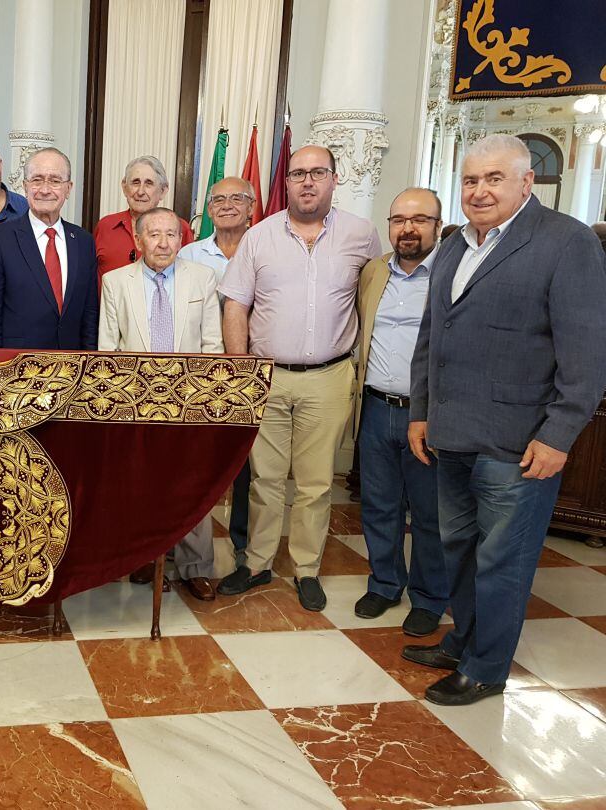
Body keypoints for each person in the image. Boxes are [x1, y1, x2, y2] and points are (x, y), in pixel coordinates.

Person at [404, 134, 606, 706]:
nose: (480, 190)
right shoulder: (452, 246)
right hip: (450, 434)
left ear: (526, 183)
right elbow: (431, 338)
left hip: (519, 443)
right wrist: (421, 413)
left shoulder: (566, 242)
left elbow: (587, 354)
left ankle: (487, 667)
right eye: (471, 180)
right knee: (458, 550)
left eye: (494, 179)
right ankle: (465, 641)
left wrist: (559, 434)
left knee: (502, 560)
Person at [219, 145, 382, 611]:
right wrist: (241, 372)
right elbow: (236, 304)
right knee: (264, 480)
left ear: (334, 179)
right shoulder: (259, 237)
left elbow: (373, 297)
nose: (307, 181)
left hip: (329, 378)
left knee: (314, 484)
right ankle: (256, 563)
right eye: (297, 174)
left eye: (317, 173)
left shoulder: (361, 235)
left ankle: (307, 569)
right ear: (285, 183)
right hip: (268, 377)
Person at [99, 207, 223, 600]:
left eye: (171, 234)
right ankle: (142, 560)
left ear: (182, 239)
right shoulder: (115, 282)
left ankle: (195, 567)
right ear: (139, 240)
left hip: (188, 403)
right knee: (139, 485)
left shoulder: (203, 279)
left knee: (191, 485)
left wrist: (201, 402)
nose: (164, 243)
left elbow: (213, 347)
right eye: (154, 234)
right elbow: (109, 350)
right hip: (136, 404)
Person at [353, 188, 447, 636]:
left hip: (428, 415)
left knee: (429, 512)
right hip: (375, 407)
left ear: (438, 225)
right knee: (379, 504)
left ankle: (428, 598)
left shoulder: (451, 272)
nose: (407, 228)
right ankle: (385, 582)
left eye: (419, 219)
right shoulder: (373, 272)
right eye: (398, 220)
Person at [179, 176, 256, 585]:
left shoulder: (266, 247)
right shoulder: (189, 253)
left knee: (248, 467)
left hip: (254, 373)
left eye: (237, 199)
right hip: (199, 380)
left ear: (251, 206)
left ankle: (246, 553)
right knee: (197, 467)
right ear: (209, 210)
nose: (227, 206)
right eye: (218, 200)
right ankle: (182, 553)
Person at [0, 147, 98, 350]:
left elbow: (89, 317)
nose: (45, 189)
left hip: (71, 370)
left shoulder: (84, 242)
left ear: (68, 188)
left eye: (55, 181)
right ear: (25, 186)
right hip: (15, 372)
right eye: (37, 180)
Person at [93, 156, 194, 279]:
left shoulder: (180, 228)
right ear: (125, 188)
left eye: (148, 183)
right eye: (135, 182)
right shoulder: (106, 226)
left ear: (163, 190)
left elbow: (189, 277)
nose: (140, 191)